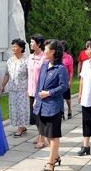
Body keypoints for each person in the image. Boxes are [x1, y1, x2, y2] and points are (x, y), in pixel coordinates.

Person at [34, 39, 69, 171]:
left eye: (46, 49)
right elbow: (39, 83)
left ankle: (50, 163)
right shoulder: (44, 65)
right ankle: (56, 155)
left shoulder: (61, 69)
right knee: (47, 134)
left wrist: (49, 93)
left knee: (53, 135)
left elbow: (64, 87)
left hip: (54, 107)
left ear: (53, 51)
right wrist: (37, 99)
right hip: (42, 106)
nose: (44, 51)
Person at [0, 38, 29, 137]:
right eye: (12, 46)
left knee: (21, 108)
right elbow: (7, 74)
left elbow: (30, 76)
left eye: (15, 46)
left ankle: (20, 127)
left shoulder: (26, 61)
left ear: (21, 48)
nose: (13, 48)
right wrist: (2, 85)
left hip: (23, 89)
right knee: (14, 108)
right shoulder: (10, 61)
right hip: (12, 89)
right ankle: (21, 126)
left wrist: (30, 89)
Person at [28, 34, 47, 148]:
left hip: (40, 91)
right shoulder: (30, 57)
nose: (30, 44)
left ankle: (42, 138)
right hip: (31, 90)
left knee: (40, 115)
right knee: (34, 115)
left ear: (39, 44)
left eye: (32, 42)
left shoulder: (44, 57)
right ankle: (40, 134)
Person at [62, 41, 74, 120]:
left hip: (66, 80)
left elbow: (71, 71)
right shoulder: (56, 56)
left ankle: (69, 109)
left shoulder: (68, 57)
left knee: (67, 97)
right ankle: (61, 112)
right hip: (58, 81)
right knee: (59, 97)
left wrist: (70, 81)